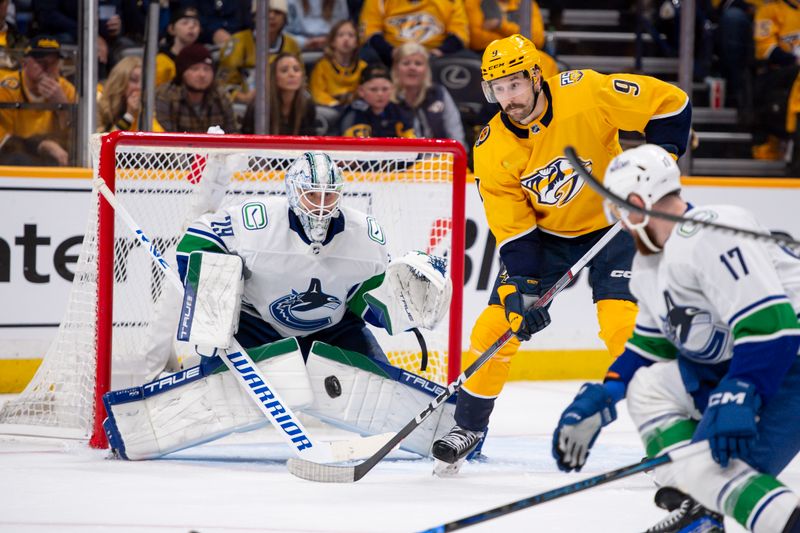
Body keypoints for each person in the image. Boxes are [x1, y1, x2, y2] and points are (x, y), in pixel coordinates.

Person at [430, 34, 692, 474]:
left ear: (536, 75)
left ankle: (665, 429)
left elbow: (671, 102)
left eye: (514, 84)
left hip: (616, 225)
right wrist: (523, 291)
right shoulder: (491, 147)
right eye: (498, 89)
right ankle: (469, 426)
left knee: (622, 328)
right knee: (498, 323)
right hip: (547, 239)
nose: (507, 98)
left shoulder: (585, 92)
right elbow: (515, 232)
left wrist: (661, 156)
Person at [552, 143, 800, 533]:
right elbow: (652, 348)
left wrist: (741, 390)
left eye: (620, 206)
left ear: (640, 200)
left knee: (708, 470)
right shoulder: (650, 264)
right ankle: (698, 507)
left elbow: (775, 328)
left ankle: (704, 499)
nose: (617, 217)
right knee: (649, 389)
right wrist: (604, 395)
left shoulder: (710, 231)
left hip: (790, 361)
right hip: (761, 361)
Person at [0, 35, 76, 166]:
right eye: (41, 62)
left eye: (54, 63)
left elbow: (75, 141)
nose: (48, 69)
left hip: (55, 159)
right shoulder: (7, 89)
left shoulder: (66, 90)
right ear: (24, 63)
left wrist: (63, 108)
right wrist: (41, 144)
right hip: (15, 161)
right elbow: (5, 142)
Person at [216, 0, 301, 104]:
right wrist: (243, 97)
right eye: (266, 12)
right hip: (244, 106)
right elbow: (223, 84)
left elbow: (301, 82)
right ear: (255, 17)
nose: (271, 16)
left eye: (277, 13)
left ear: (285, 18)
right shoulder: (237, 42)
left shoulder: (292, 45)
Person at [391, 42, 466, 150]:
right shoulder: (385, 98)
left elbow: (455, 132)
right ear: (396, 67)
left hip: (439, 160)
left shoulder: (438, 93)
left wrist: (458, 155)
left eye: (418, 63)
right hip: (399, 163)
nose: (412, 68)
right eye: (406, 63)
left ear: (426, 69)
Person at [155, 43, 238, 133]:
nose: (202, 75)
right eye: (195, 69)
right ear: (182, 72)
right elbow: (165, 139)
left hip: (215, 147)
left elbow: (233, 134)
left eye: (207, 69)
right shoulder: (165, 96)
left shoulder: (221, 96)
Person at [359, 0, 470, 66]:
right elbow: (370, 31)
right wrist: (391, 52)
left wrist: (439, 52)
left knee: (469, 59)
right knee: (366, 56)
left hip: (435, 55)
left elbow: (460, 33)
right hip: (392, 54)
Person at [241, 52, 316, 135]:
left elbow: (311, 139)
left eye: (296, 69)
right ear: (274, 77)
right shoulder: (259, 106)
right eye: (284, 70)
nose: (292, 74)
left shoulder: (307, 105)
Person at [340, 64, 414, 137]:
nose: (380, 94)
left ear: (392, 89)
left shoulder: (398, 112)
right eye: (373, 89)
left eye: (385, 89)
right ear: (361, 91)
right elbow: (357, 145)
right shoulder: (353, 114)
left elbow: (412, 141)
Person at [97, 56, 164, 133]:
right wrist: (129, 115)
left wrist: (147, 114)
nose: (139, 87)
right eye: (134, 80)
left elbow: (160, 140)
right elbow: (107, 142)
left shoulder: (150, 108)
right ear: (120, 82)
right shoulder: (98, 103)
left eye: (143, 82)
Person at [309, 19, 366, 107]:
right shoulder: (322, 66)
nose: (346, 39)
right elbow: (318, 93)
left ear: (357, 43)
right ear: (332, 42)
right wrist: (335, 104)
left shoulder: (363, 67)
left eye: (351, 35)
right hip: (329, 108)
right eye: (340, 35)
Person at [155, 7, 202, 88]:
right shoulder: (162, 58)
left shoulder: (202, 58)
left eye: (195, 24)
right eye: (185, 23)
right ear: (171, 29)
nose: (191, 26)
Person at [285, 0, 349, 51]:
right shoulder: (290, 1)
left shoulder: (339, 2)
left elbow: (343, 26)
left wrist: (330, 39)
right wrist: (303, 42)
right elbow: (283, 32)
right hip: (299, 44)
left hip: (332, 45)